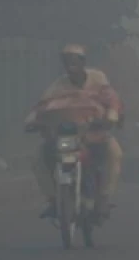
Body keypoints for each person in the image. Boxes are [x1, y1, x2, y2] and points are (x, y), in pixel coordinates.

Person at [25, 44, 124, 221]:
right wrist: (33, 121)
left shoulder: (98, 79)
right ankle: (53, 200)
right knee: (38, 157)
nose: (70, 63)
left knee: (114, 152)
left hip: (93, 133)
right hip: (65, 137)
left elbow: (112, 100)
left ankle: (103, 197)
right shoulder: (58, 86)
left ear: (83, 62)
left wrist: (111, 116)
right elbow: (42, 106)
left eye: (74, 59)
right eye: (66, 60)